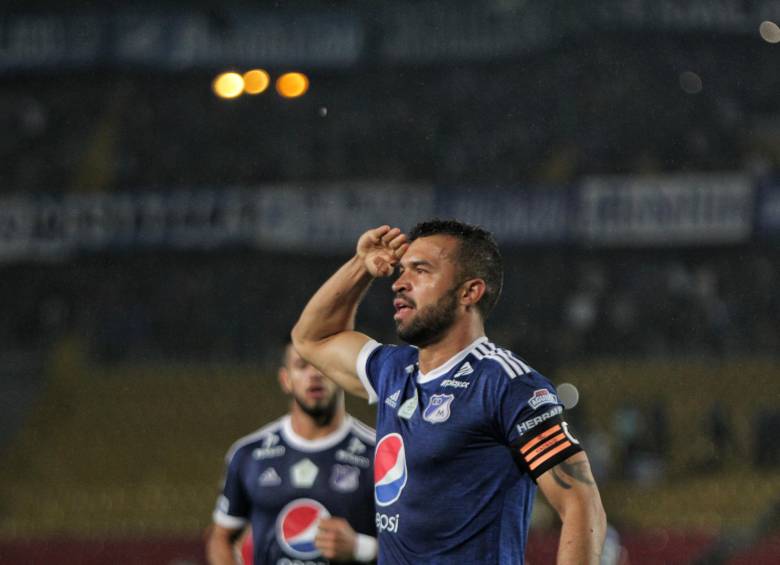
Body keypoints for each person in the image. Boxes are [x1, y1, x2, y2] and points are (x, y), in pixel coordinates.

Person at [292, 219, 607, 564]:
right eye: (401, 270)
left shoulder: (507, 384)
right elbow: (311, 338)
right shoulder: (393, 370)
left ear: (469, 292)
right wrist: (359, 267)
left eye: (421, 271)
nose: (399, 283)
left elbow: (580, 503)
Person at [207, 337, 378, 565]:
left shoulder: (377, 452)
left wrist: (360, 548)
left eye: (322, 365)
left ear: (340, 375)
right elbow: (221, 537)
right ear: (285, 380)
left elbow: (416, 544)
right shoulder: (249, 454)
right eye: (301, 366)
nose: (314, 374)